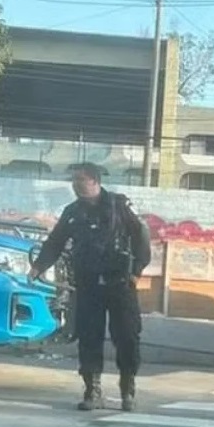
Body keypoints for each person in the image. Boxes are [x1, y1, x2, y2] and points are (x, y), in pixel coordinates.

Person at [28, 163, 151, 412]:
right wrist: (38, 267)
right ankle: (92, 390)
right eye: (74, 181)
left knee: (127, 337)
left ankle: (128, 389)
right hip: (87, 284)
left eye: (80, 180)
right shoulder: (73, 212)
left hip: (120, 283)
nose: (75, 185)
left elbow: (141, 237)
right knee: (88, 338)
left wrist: (136, 272)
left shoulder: (119, 206)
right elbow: (56, 241)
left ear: (95, 181)